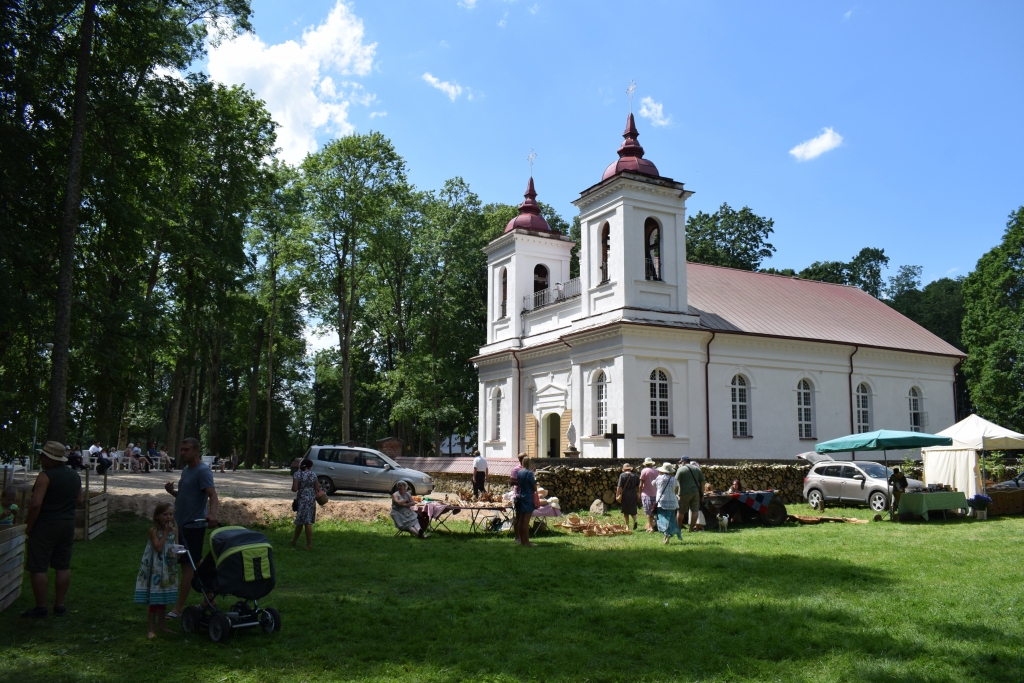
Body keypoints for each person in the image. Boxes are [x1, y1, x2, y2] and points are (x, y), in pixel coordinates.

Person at [21, 441, 83, 618]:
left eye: (42, 456)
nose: (40, 458)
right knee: (62, 565)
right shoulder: (74, 475)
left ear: (50, 458)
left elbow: (35, 504)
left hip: (46, 523)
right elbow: (79, 501)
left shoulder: (45, 476)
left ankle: (41, 607)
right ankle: (59, 605)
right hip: (67, 523)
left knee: (38, 566)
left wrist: (29, 526)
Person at [164, 436, 218, 619]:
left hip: (194, 526)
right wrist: (172, 492)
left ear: (196, 451)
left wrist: (212, 515)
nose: (182, 452)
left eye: (186, 450)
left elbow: (213, 495)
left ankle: (178, 608)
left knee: (187, 566)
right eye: (181, 449)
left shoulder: (203, 471)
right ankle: (210, 597)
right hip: (181, 525)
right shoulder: (186, 470)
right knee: (194, 563)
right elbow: (187, 495)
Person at [134, 502, 178, 639]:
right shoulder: (153, 531)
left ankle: (163, 626)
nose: (168, 517)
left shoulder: (176, 530)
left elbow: (176, 547)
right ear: (157, 516)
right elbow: (158, 547)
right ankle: (151, 628)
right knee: (154, 598)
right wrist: (165, 532)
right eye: (165, 514)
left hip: (168, 567)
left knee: (163, 597)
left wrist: (178, 552)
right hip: (155, 568)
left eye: (171, 514)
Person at [291, 459, 324, 549]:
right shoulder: (313, 474)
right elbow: (317, 487)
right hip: (311, 499)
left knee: (304, 521)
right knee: (303, 521)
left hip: (302, 499)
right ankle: (294, 541)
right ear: (310, 466)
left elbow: (294, 489)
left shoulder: (297, 474)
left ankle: (309, 544)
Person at [675, 456, 705, 533]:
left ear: (684, 461)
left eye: (681, 462)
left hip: (683, 493)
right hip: (695, 493)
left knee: (681, 511)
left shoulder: (681, 469)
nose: (681, 463)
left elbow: (676, 482)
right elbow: (702, 482)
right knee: (695, 510)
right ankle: (691, 528)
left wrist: (675, 493)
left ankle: (678, 528)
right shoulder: (697, 469)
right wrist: (702, 494)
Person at [654, 462, 682, 544]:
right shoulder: (674, 479)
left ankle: (666, 533)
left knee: (662, 519)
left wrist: (659, 475)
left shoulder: (659, 478)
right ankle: (667, 535)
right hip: (672, 502)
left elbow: (653, 484)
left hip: (662, 501)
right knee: (671, 519)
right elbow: (677, 485)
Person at [513, 453, 537, 547]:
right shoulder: (529, 473)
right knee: (526, 521)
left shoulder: (520, 472)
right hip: (528, 497)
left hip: (521, 496)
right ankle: (527, 541)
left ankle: (522, 540)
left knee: (521, 519)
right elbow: (534, 487)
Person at [616, 463, 640, 530]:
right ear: (630, 469)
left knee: (625, 510)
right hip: (633, 493)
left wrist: (617, 495)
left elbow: (619, 486)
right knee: (633, 508)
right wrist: (638, 494)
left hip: (625, 493)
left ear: (624, 469)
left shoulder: (622, 475)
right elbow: (639, 485)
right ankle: (635, 521)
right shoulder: (635, 475)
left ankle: (627, 526)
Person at [639, 457, 659, 533]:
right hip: (655, 493)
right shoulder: (656, 471)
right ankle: (654, 525)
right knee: (653, 510)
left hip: (646, 493)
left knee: (648, 511)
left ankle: (650, 527)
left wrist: (639, 493)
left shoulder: (644, 471)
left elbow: (641, 484)